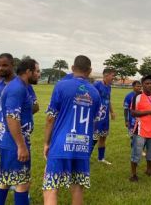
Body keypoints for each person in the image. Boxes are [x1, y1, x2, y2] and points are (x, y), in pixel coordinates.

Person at [42, 55, 101, 205]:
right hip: (82, 146)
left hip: (61, 144)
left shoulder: (61, 86)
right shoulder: (95, 93)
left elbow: (50, 118)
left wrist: (46, 143)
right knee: (77, 188)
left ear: (73, 68)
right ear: (90, 71)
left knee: (50, 186)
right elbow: (94, 120)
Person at [0, 58, 40, 205]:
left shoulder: (18, 86)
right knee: (22, 183)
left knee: (4, 179)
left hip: (8, 142)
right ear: (28, 71)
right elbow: (11, 117)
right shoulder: (17, 88)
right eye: (37, 71)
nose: (39, 74)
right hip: (14, 143)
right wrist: (21, 146)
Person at [129, 75, 151, 182]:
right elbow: (133, 112)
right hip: (140, 129)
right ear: (142, 85)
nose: (149, 85)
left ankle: (149, 170)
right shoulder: (137, 97)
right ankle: (133, 174)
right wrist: (148, 112)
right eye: (146, 83)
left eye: (150, 83)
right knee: (137, 152)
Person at [92, 68, 116, 165]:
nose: (113, 78)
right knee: (94, 138)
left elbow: (108, 99)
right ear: (106, 75)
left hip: (105, 117)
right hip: (97, 116)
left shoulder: (109, 86)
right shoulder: (97, 85)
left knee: (103, 137)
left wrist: (112, 112)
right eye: (112, 75)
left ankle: (101, 158)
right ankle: (85, 159)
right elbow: (91, 98)